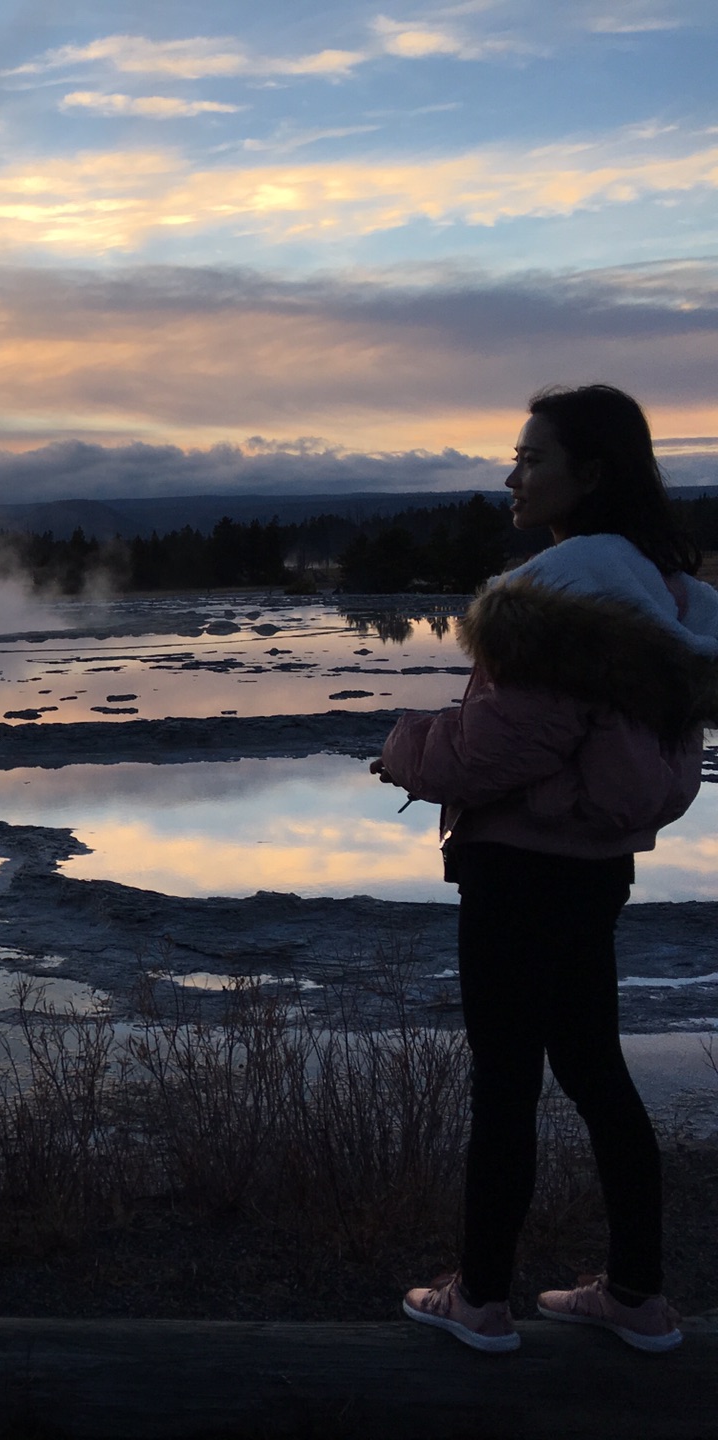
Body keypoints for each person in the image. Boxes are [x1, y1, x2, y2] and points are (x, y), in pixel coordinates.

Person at [374, 384, 718, 1354]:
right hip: (595, 867)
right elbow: (639, 758)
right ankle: (638, 1296)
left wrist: (406, 750)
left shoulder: (563, 595)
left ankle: (480, 1299)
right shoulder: (669, 597)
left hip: (516, 870)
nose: (513, 474)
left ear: (591, 473)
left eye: (531, 458)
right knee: (596, 1070)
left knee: (507, 1082)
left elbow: (501, 747)